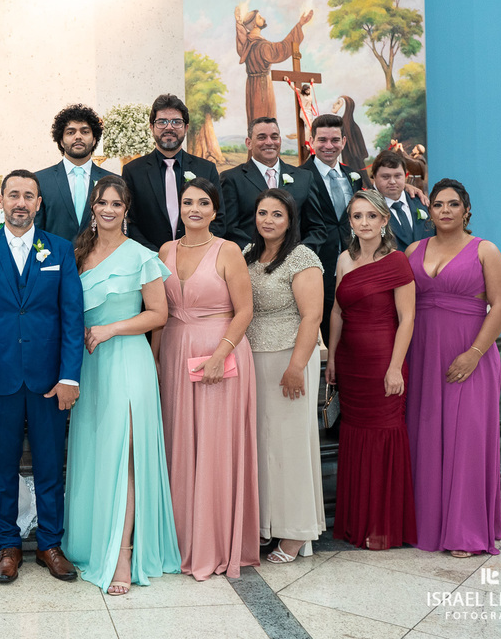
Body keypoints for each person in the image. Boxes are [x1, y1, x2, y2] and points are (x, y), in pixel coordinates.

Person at [0, 172, 84, 585]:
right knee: (3, 467)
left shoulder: (61, 250)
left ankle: (50, 544)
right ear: (0, 200)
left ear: (38, 203)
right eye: (13, 194)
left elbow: (72, 318)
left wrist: (70, 376)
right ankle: (8, 547)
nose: (20, 202)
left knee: (51, 465)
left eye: (28, 196)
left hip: (50, 379)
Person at [63, 175, 181, 595]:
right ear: (92, 208)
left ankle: (124, 553)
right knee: (96, 454)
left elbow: (159, 314)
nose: (109, 209)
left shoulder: (142, 256)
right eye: (102, 202)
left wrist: (111, 329)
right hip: (88, 368)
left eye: (117, 203)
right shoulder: (76, 254)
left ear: (126, 210)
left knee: (125, 456)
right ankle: (93, 541)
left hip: (127, 362)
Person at [154, 178, 258, 580]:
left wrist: (221, 354)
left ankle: (214, 542)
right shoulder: (165, 250)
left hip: (220, 353)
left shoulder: (228, 250)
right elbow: (160, 310)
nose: (194, 209)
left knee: (215, 446)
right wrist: (155, 358)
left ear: (215, 211)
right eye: (187, 202)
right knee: (180, 443)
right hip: (175, 350)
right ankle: (181, 539)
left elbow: (245, 310)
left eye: (202, 203)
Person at [406, 179, 501, 557]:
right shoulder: (413, 249)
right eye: (438, 204)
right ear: (429, 211)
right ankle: (428, 524)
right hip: (421, 357)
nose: (446, 210)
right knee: (426, 437)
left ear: (466, 210)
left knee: (467, 441)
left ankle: (465, 531)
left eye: (454, 204)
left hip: (470, 357)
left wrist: (474, 353)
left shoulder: (485, 250)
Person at [326, 189, 417, 550]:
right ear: (350, 222)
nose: (363, 222)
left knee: (383, 435)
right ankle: (357, 521)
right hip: (350, 362)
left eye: (370, 216)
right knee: (355, 436)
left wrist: (395, 367)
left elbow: (407, 317)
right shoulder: (343, 260)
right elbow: (336, 311)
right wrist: (332, 356)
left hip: (383, 360)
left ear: (384, 220)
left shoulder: (396, 262)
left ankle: (382, 525)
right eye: (356, 216)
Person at [242, 189, 325, 564]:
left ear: (290, 220)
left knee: (290, 447)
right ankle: (268, 524)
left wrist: (296, 366)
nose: (269, 220)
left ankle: (295, 534)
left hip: (289, 358)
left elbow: (312, 316)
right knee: (262, 446)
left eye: (278, 214)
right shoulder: (247, 254)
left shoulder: (302, 257)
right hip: (252, 359)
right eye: (263, 213)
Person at [123, 94, 223, 251]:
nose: (169, 127)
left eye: (176, 122)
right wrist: (156, 255)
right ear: (151, 127)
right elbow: (129, 222)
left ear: (186, 127)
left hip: (199, 257)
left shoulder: (206, 169)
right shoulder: (133, 171)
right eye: (162, 122)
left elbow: (219, 219)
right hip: (150, 261)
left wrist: (196, 249)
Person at [298, 114, 366, 342]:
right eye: (322, 140)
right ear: (312, 141)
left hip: (353, 267)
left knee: (355, 335)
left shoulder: (353, 177)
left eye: (335, 140)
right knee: (326, 335)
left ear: (344, 142)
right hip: (318, 269)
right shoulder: (299, 177)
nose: (329, 146)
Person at [220, 117, 326, 252]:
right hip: (250, 262)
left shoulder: (304, 178)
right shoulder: (231, 179)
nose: (269, 142)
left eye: (274, 137)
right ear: (249, 143)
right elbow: (229, 228)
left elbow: (316, 227)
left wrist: (299, 255)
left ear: (280, 141)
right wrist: (261, 255)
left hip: (294, 263)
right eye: (262, 137)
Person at [34, 104, 107, 240]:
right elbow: (35, 230)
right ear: (61, 141)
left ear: (95, 139)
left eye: (85, 132)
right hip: (55, 259)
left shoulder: (111, 180)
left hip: (101, 260)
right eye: (70, 132)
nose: (78, 137)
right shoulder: (40, 180)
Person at [234, 5, 314, 125]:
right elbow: (282, 48)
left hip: (251, 86)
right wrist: (300, 25)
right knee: (265, 119)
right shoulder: (263, 46)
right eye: (260, 17)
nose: (263, 18)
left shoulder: (247, 43)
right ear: (255, 24)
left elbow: (241, 36)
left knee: (255, 121)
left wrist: (238, 22)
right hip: (262, 87)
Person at [372, 150, 433, 250]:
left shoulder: (422, 202)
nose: (392, 181)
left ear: (405, 175)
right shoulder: (365, 208)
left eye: (397, 176)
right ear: (374, 176)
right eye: (385, 177)